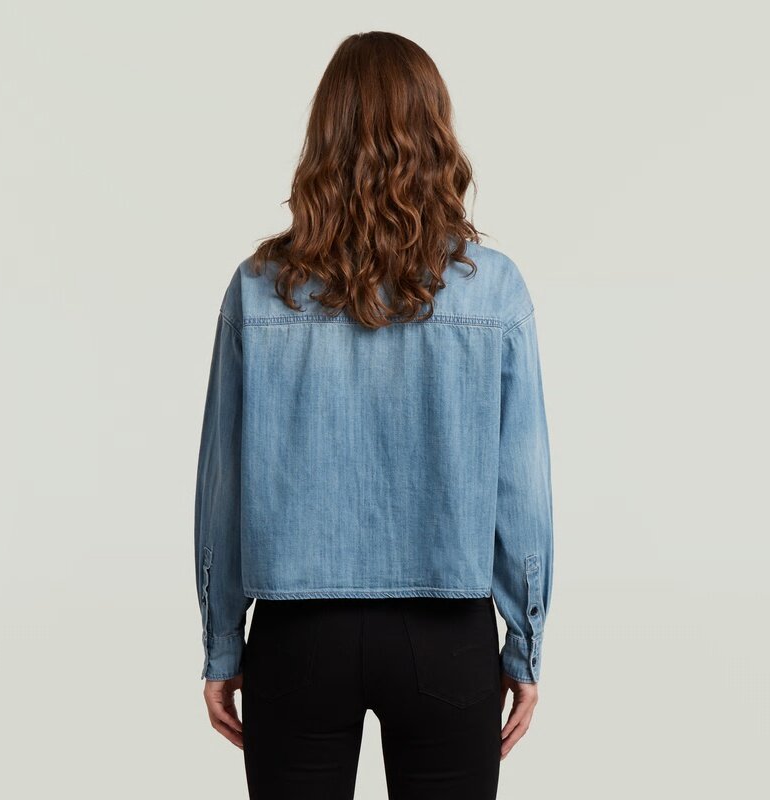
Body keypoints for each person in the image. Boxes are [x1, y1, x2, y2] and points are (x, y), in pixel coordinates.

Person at [194, 30, 554, 800]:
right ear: (437, 134)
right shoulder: (495, 290)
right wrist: (524, 644)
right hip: (446, 637)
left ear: (322, 137)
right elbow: (522, 491)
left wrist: (222, 642)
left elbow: (222, 489)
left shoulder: (258, 288)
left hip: (297, 637)